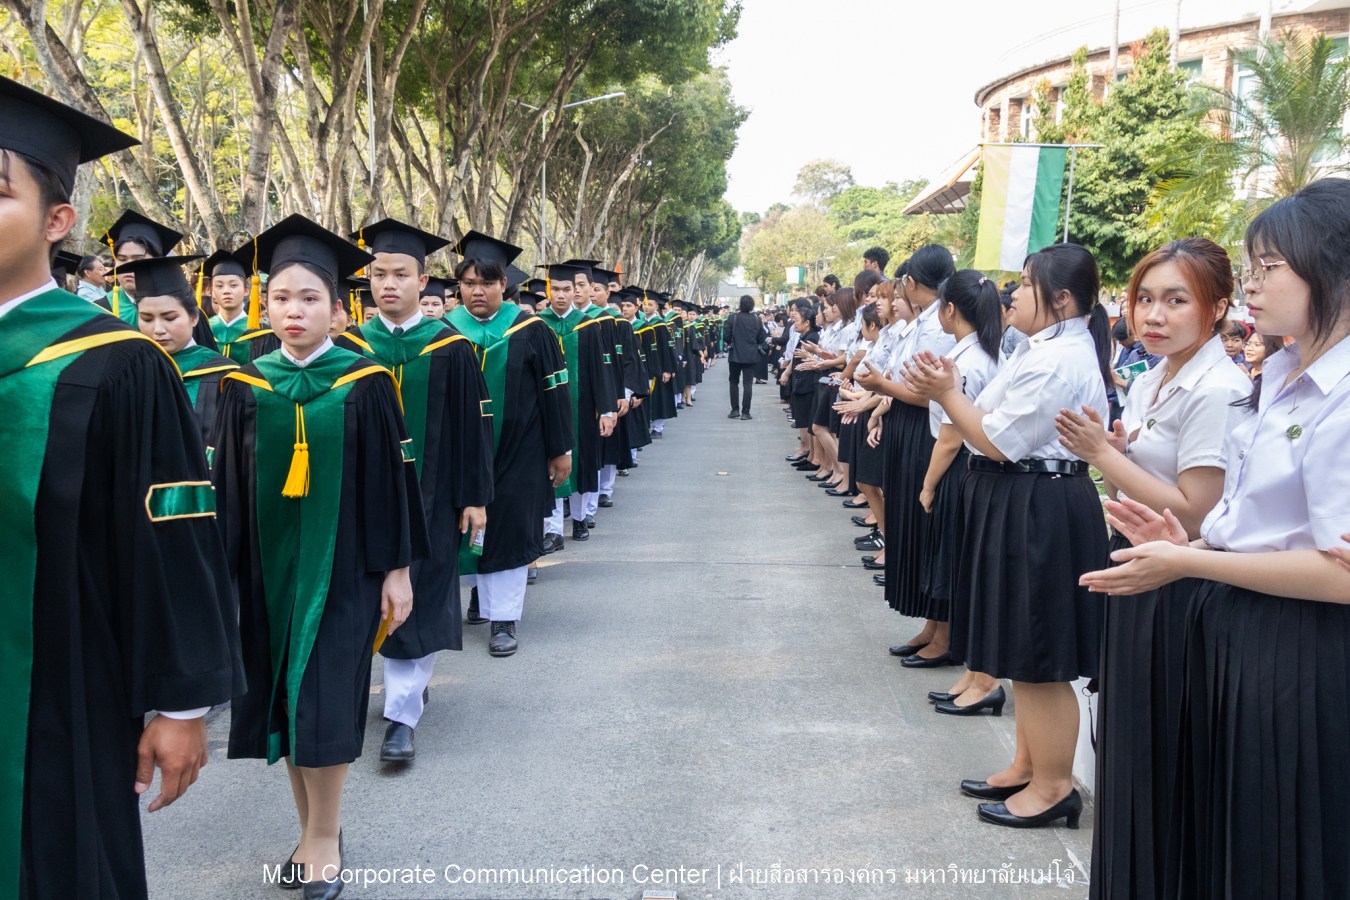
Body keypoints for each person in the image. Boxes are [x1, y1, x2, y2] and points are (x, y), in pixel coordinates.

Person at [0, 74, 241, 899]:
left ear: (57, 220)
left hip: (55, 694)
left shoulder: (119, 362)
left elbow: (174, 530)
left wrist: (180, 705)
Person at [1081, 180, 1350, 898]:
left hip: (1296, 644)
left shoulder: (1339, 394)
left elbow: (1342, 573)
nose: (1253, 285)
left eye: (1269, 268)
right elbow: (1253, 523)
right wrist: (1192, 549)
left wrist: (1190, 557)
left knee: (1276, 845)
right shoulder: (1288, 373)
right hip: (1238, 621)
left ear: (1334, 269)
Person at [213, 214, 426, 898]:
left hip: (345, 569)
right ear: (262, 304)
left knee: (324, 698)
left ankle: (326, 834)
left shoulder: (363, 382)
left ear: (338, 308)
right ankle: (309, 830)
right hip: (268, 573)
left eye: (309, 299)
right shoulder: (245, 384)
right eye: (279, 298)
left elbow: (395, 484)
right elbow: (229, 491)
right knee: (283, 696)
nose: (292, 311)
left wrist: (397, 570)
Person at [1055, 238, 1251, 898]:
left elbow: (1198, 514)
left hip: (1181, 589)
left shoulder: (1218, 388)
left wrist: (1101, 456)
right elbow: (1144, 479)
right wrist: (1117, 453)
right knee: (1128, 753)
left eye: (1176, 300)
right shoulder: (1160, 374)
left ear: (1218, 307)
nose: (1153, 315)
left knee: (1159, 763)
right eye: (1144, 298)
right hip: (1143, 572)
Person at [906, 242, 1111, 829]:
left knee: (1039, 653)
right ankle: (1028, 763)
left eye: (1024, 284)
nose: (1012, 294)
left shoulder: (1055, 359)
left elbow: (996, 439)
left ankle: (1052, 786)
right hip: (1020, 495)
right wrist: (951, 389)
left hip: (1036, 500)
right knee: (1023, 648)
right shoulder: (1040, 349)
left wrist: (947, 394)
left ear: (1062, 298)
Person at [336, 219, 492, 764]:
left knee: (417, 599)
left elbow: (475, 427)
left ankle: (401, 718)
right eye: (379, 274)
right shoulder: (349, 347)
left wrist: (475, 496)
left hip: (433, 494)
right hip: (360, 497)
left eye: (401, 274)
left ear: (422, 280)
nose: (389, 284)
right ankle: (378, 694)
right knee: (363, 598)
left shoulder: (450, 346)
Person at [447, 232, 573, 656]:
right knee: (463, 528)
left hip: (519, 451)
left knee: (510, 529)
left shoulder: (531, 331)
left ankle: (505, 619)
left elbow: (555, 392)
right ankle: (480, 596)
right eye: (468, 283)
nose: (477, 291)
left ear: (504, 284)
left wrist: (561, 449)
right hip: (461, 452)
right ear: (459, 287)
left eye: (486, 282)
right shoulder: (444, 334)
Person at [855, 246, 957, 647]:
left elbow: (933, 395)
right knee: (913, 525)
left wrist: (882, 388)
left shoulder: (935, 327)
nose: (894, 301)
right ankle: (931, 627)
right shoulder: (923, 323)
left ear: (912, 284)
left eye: (897, 293)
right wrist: (882, 400)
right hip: (907, 423)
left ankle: (943, 633)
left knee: (925, 529)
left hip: (924, 429)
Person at [910, 271, 1002, 674]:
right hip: (960, 460)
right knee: (940, 549)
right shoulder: (970, 353)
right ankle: (934, 627)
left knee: (948, 552)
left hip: (960, 462)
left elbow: (950, 435)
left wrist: (928, 484)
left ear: (949, 310)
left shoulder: (969, 360)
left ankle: (946, 638)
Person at [128, 255, 240, 445]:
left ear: (194, 317)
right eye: (147, 319)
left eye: (170, 318)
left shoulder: (224, 376)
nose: (158, 329)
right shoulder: (129, 373)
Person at [723, 294, 768, 419]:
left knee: (733, 382)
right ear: (752, 305)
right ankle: (746, 412)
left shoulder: (733, 318)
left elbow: (726, 336)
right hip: (751, 355)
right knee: (747, 383)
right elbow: (762, 337)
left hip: (735, 355)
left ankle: (734, 410)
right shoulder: (756, 319)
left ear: (740, 305)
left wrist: (732, 341)